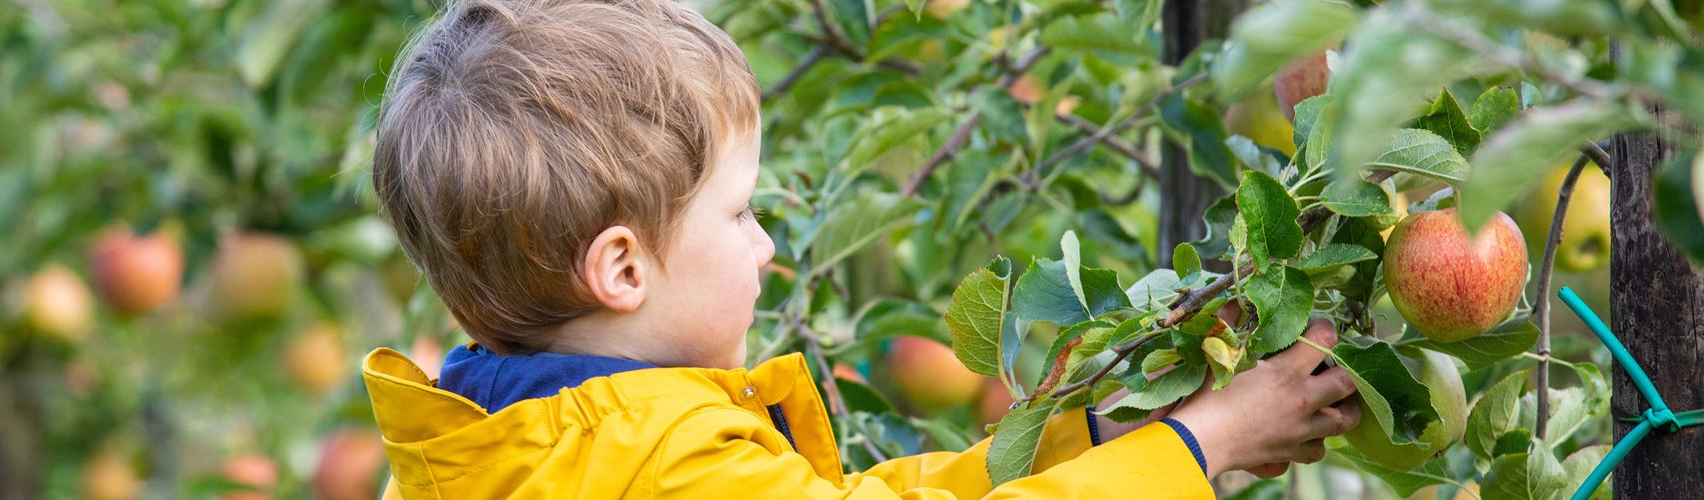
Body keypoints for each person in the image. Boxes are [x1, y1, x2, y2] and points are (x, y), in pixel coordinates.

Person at [360, 0, 1361, 497]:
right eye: (739, 214)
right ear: (623, 269)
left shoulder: (508, 444)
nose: (765, 248)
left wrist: (1097, 430)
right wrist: (1201, 446)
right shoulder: (666, 463)